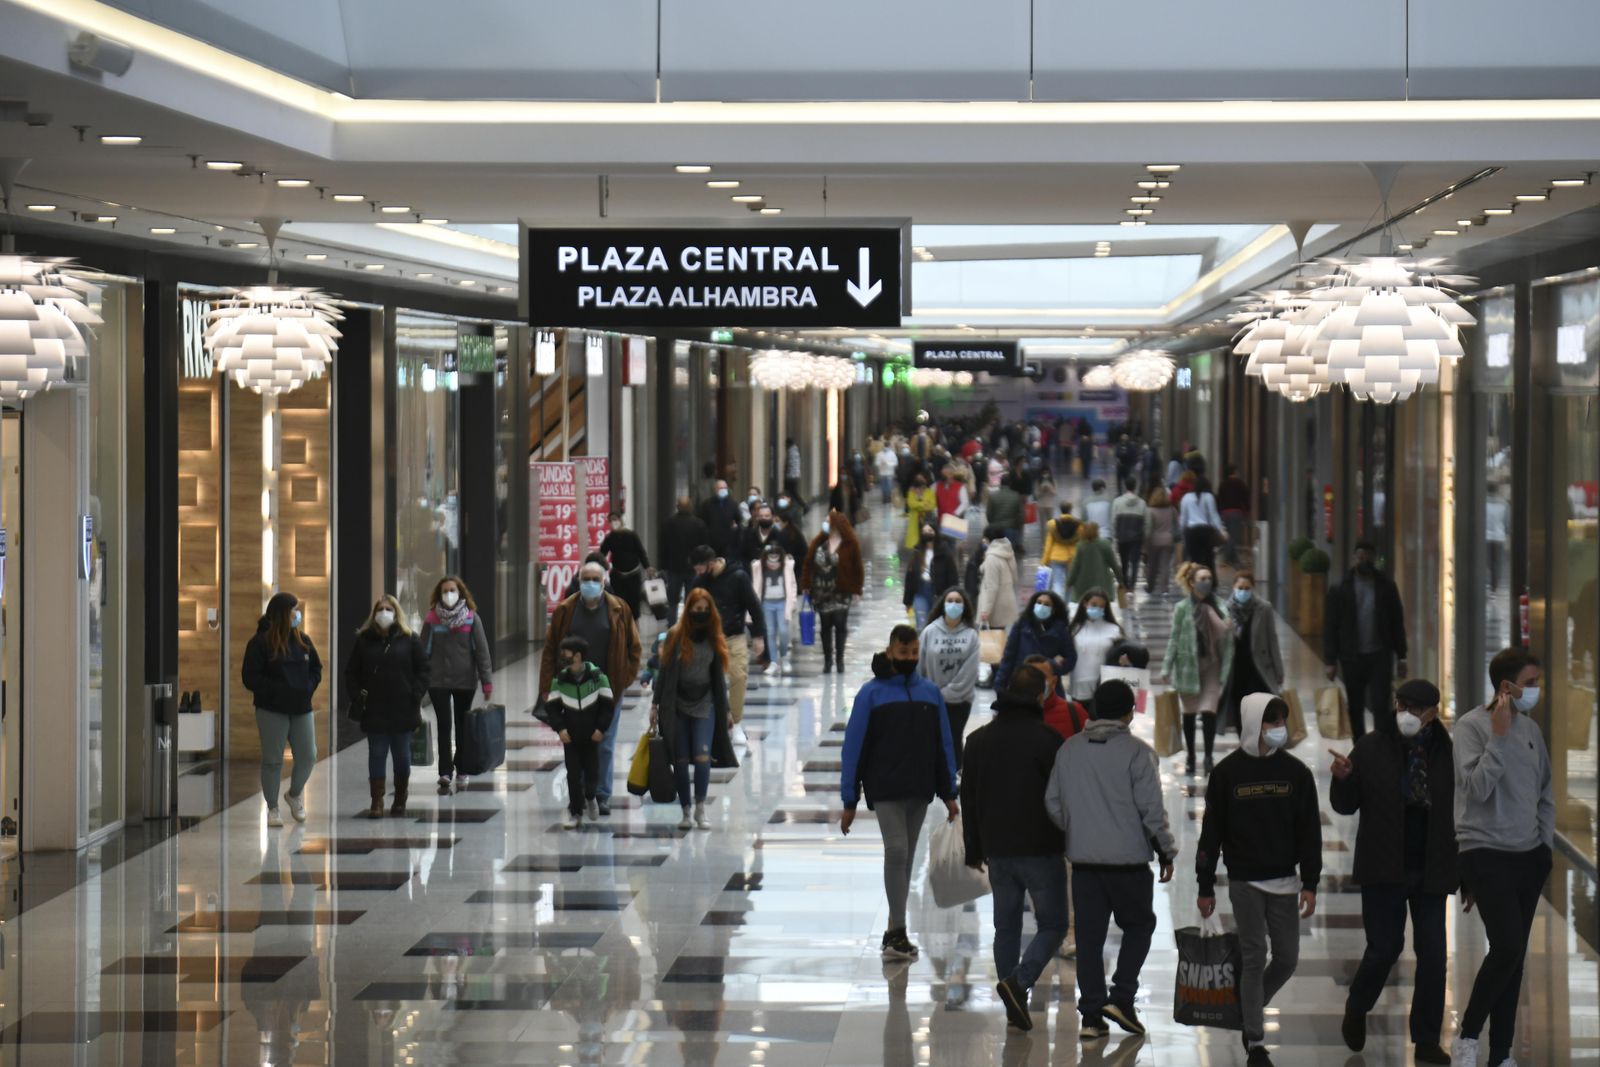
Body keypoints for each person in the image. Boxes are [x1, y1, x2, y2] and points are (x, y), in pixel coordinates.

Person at [1330, 679, 1456, 1065]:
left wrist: (1464, 873)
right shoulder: (1371, 746)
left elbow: (1459, 812)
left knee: (1433, 955)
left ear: (1433, 713)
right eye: (1402, 705)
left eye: (1415, 709)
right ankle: (1357, 1005)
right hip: (1384, 865)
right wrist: (1344, 778)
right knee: (1384, 949)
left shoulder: (1447, 751)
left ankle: (1426, 1039)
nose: (1406, 714)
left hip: (1431, 866)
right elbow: (1345, 806)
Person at [1196, 693, 1322, 1067]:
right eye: (1271, 722)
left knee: (1286, 958)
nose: (1278, 729)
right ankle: (1254, 1039)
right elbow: (1211, 833)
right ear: (1253, 725)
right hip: (1245, 882)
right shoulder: (1227, 774)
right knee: (1254, 958)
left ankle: (1246, 1006)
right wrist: (1205, 885)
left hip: (1285, 881)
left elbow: (1309, 831)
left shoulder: (1296, 774)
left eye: (1282, 721)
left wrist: (1311, 882)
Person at [1046, 679, 1175, 1040]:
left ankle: (1090, 1017)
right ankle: (1121, 996)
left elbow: (1053, 803)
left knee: (1088, 939)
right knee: (1139, 926)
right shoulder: (1138, 753)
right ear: (1129, 712)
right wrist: (1166, 850)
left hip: (1084, 864)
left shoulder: (1069, 750)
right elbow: (1152, 811)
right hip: (1129, 863)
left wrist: (1079, 830)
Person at [1450, 648, 1554, 1067]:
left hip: (1528, 856)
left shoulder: (1532, 731)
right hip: (1484, 852)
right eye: (1530, 683)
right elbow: (1475, 789)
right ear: (1506, 686)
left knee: (1514, 956)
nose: (1536, 690)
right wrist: (1498, 734)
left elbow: (1545, 791)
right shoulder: (1472, 727)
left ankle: (1501, 1053)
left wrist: (1544, 846)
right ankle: (1468, 1037)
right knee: (1507, 946)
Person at [840, 626, 959, 962]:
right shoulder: (871, 694)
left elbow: (943, 744)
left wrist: (949, 791)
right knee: (896, 850)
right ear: (890, 651)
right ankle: (898, 932)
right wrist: (849, 799)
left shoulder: (929, 693)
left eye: (912, 653)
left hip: (919, 788)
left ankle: (895, 923)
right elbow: (854, 747)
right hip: (886, 786)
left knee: (906, 856)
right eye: (902, 652)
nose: (908, 658)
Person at [961, 665, 1067, 1033]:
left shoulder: (977, 742)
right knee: (1053, 924)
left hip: (998, 850)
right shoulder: (1049, 740)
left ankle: (1013, 1002)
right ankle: (1018, 983)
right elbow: (1061, 799)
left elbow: (969, 800)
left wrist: (973, 848)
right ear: (1040, 697)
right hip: (1041, 848)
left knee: (1005, 928)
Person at [539, 560, 643, 814]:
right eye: (585, 579)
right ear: (578, 581)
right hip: (572, 688)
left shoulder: (619, 609)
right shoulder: (566, 610)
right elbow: (551, 648)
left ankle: (601, 793)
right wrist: (547, 685)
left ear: (604, 581)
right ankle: (584, 792)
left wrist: (623, 678)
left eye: (595, 579)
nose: (590, 584)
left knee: (604, 742)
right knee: (578, 741)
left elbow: (634, 647)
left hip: (607, 687)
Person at [650, 588, 739, 830]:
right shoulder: (675, 636)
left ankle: (701, 807)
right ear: (688, 609)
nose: (699, 613)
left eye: (704, 610)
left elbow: (719, 679)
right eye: (695, 609)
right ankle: (686, 810)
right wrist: (655, 704)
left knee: (702, 756)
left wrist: (727, 710)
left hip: (706, 702)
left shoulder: (715, 637)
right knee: (680, 760)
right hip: (677, 703)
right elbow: (665, 672)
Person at [242, 591, 324, 827]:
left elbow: (316, 669)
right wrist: (277, 689)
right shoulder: (259, 643)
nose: (297, 614)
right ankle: (273, 807)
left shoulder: (303, 640)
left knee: (308, 756)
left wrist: (307, 687)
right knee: (272, 760)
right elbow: (250, 677)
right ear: (282, 614)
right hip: (271, 709)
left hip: (301, 708)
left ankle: (294, 794)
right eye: (293, 610)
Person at [345, 594, 429, 819]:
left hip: (403, 707)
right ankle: (377, 801)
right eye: (380, 609)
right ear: (374, 614)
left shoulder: (409, 639)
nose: (384, 613)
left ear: (396, 612)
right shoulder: (364, 640)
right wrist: (356, 696)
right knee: (377, 753)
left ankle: (400, 797)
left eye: (388, 609)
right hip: (375, 708)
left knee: (402, 755)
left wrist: (416, 693)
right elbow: (351, 672)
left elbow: (423, 669)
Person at [1324, 541, 1409, 738]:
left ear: (1374, 559)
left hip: (1380, 655)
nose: (1364, 561)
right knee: (1355, 706)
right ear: (1355, 558)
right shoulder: (1340, 588)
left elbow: (1397, 622)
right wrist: (1330, 660)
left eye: (1368, 558)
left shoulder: (1386, 587)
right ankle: (1360, 746)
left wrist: (1402, 655)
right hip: (1351, 656)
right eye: (1360, 557)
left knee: (1382, 704)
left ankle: (1381, 744)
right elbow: (1330, 625)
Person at [422, 576, 494, 790]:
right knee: (443, 726)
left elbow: (482, 652)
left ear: (460, 592)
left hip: (465, 681)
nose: (449, 594)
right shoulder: (432, 619)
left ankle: (462, 767)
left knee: (463, 725)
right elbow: (422, 651)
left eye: (452, 590)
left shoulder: (472, 618)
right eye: (445, 591)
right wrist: (418, 680)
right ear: (439, 594)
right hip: (438, 681)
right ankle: (445, 770)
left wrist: (486, 682)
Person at [690, 546, 766, 743]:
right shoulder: (699, 582)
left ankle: (736, 722)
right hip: (708, 639)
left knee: (739, 676)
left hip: (735, 637)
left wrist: (758, 636)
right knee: (706, 681)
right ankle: (712, 722)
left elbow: (754, 607)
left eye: (700, 569)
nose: (697, 574)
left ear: (711, 563)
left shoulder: (738, 577)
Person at [1163, 563, 1233, 775]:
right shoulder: (1182, 608)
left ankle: (1209, 756)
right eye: (1202, 579)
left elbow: (1228, 637)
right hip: (1188, 668)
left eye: (1209, 578)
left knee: (1209, 711)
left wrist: (1227, 668)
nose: (1207, 582)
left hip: (1212, 665)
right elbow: (1174, 638)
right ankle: (1191, 757)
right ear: (1192, 582)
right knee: (1190, 713)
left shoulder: (1219, 606)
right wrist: (1167, 667)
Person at [544, 636, 616, 830]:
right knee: (573, 774)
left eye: (566, 654)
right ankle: (576, 812)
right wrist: (560, 729)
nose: (563, 658)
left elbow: (608, 707)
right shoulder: (559, 681)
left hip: (592, 736)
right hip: (571, 737)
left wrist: (601, 728)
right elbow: (551, 708)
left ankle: (591, 797)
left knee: (592, 772)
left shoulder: (598, 678)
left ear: (578, 656)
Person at [918, 588, 981, 770]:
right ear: (943, 604)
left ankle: (954, 777)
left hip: (960, 700)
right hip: (931, 698)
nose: (953, 604)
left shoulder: (971, 636)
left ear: (964, 606)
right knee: (932, 737)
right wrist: (927, 692)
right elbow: (920, 666)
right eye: (950, 600)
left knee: (953, 736)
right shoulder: (929, 632)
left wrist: (945, 693)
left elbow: (970, 672)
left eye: (958, 601)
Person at [799, 511, 864, 675]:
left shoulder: (850, 544)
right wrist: (806, 584)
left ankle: (840, 660)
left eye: (828, 521)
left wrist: (857, 589)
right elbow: (808, 563)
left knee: (841, 624)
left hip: (842, 591)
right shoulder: (818, 542)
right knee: (826, 625)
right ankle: (828, 660)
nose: (825, 524)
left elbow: (858, 567)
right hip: (822, 591)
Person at [1222, 572, 1284, 736]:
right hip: (1235, 670)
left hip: (1258, 668)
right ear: (1234, 588)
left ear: (1253, 589)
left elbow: (1272, 640)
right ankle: (1243, 742)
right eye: (1240, 588)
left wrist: (1279, 670)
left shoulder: (1264, 608)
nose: (1243, 591)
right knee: (1238, 707)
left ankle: (1257, 741)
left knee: (1259, 708)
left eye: (1247, 588)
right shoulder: (1225, 609)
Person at [996, 589, 1075, 697]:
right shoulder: (1021, 625)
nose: (1041, 606)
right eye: (1039, 602)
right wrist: (1000, 685)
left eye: (1047, 604)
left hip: (1049, 687)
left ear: (1054, 610)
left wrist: (1052, 665)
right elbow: (1008, 657)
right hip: (1021, 683)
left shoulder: (1061, 630)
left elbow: (1071, 658)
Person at [1067, 589, 1125, 706]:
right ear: (1085, 604)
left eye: (1101, 606)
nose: (1097, 609)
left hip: (1105, 685)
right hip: (1078, 687)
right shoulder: (1073, 629)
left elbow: (1122, 653)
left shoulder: (1114, 629)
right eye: (1094, 604)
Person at [660, 496, 710, 624]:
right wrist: (703, 565)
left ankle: (671, 626)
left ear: (677, 507)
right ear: (690, 507)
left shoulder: (668, 523)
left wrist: (663, 566)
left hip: (674, 567)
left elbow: (663, 546)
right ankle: (691, 624)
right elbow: (704, 547)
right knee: (692, 598)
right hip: (693, 568)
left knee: (672, 601)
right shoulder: (699, 524)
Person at [902, 523, 960, 631]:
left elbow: (953, 577)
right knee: (921, 625)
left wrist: (954, 597)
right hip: (920, 592)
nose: (927, 534)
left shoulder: (945, 553)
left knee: (937, 625)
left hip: (939, 594)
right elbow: (909, 577)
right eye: (924, 531)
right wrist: (907, 601)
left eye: (930, 531)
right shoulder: (917, 552)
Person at [752, 542, 798, 676]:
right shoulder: (759, 567)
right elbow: (756, 585)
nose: (773, 563)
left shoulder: (787, 566)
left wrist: (793, 601)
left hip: (782, 603)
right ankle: (773, 661)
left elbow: (793, 584)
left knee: (784, 631)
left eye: (776, 558)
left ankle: (784, 658)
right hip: (766, 603)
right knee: (770, 633)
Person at [599, 512, 651, 620]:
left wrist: (647, 567)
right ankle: (621, 625)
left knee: (634, 602)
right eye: (610, 520)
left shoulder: (631, 535)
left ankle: (634, 625)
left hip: (633, 574)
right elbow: (601, 554)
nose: (613, 522)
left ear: (621, 520)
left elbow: (641, 552)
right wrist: (601, 568)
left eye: (615, 519)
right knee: (618, 602)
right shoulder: (610, 538)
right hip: (618, 574)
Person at [975, 524, 1020, 634]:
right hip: (1004, 603)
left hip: (995, 608)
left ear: (988, 539)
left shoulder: (992, 558)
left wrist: (985, 610)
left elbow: (991, 587)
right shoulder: (1007, 551)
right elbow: (1015, 577)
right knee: (1000, 637)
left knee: (992, 642)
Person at [1032, 655, 1089, 741]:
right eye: (1031, 677)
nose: (1035, 682)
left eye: (1041, 677)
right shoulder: (1011, 715)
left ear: (1054, 681)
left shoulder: (1074, 712)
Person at [1066, 521, 1120, 608]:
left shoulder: (1080, 546)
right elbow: (1114, 564)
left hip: (1083, 587)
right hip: (1103, 586)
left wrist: (1069, 583)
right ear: (1097, 531)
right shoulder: (1105, 544)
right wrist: (1120, 580)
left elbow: (1075, 567)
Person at [1178, 474, 1225, 572]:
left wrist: (1182, 533)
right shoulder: (1209, 496)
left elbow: (1183, 518)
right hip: (1206, 530)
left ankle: (1195, 580)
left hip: (1191, 531)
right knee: (1208, 558)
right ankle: (1211, 581)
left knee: (1194, 559)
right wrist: (1221, 530)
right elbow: (1214, 516)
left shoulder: (1186, 497)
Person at [1110, 479, 1149, 592]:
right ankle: (1132, 584)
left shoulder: (1117, 502)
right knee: (1135, 561)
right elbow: (1147, 522)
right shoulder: (1142, 503)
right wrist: (1145, 535)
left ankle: (1125, 582)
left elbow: (1113, 520)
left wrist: (1115, 535)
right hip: (1137, 536)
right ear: (1135, 486)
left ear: (1125, 485)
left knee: (1124, 560)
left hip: (1122, 536)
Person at [1041, 504, 1079, 602]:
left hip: (1056, 557)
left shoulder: (1053, 525)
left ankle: (1057, 604)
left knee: (1057, 583)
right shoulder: (1078, 525)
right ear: (1070, 510)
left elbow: (1048, 544)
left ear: (1060, 510)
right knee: (1070, 583)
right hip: (1072, 557)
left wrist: (1044, 561)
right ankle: (1067, 605)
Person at [1144, 486, 1178, 597]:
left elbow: (1148, 528)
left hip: (1153, 541)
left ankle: (1150, 586)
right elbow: (1177, 524)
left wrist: (1145, 542)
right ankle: (1165, 589)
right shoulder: (1172, 509)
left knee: (1152, 565)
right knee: (1165, 566)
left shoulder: (1150, 510)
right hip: (1168, 540)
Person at [1216, 463, 1252, 567]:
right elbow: (1245, 498)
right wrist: (1247, 511)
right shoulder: (1240, 483)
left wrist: (1220, 512)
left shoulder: (1223, 484)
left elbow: (1219, 499)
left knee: (1228, 535)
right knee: (1233, 537)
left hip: (1225, 513)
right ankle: (1226, 558)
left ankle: (1233, 558)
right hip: (1236, 512)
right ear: (1234, 472)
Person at [697, 478, 742, 558]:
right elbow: (702, 522)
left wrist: (735, 527)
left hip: (728, 542)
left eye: (725, 488)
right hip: (712, 542)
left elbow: (738, 520)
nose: (723, 490)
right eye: (721, 488)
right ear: (715, 489)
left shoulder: (733, 504)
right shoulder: (707, 504)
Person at [985, 475, 1026, 556]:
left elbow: (988, 514)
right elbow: (1021, 515)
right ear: (1010, 484)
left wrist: (993, 523)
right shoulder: (1016, 496)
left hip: (994, 529)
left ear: (1000, 483)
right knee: (1009, 554)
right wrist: (1018, 528)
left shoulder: (993, 496)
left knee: (994, 553)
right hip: (1011, 528)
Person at [904, 474, 938, 551]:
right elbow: (911, 504)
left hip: (927, 518)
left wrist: (919, 505)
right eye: (917, 488)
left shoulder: (930, 492)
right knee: (915, 541)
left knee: (926, 537)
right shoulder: (911, 492)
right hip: (915, 519)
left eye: (922, 488)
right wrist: (923, 504)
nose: (919, 490)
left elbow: (932, 505)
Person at [875, 441, 899, 505]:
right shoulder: (879, 454)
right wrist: (881, 463)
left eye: (887, 446)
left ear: (889, 446)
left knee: (889, 486)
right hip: (882, 473)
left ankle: (888, 498)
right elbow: (876, 463)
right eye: (885, 446)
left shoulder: (892, 454)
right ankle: (884, 498)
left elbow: (895, 463)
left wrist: (888, 464)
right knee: (883, 486)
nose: (886, 447)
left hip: (889, 472)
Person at [784, 437, 804, 507]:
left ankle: (803, 506)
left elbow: (789, 464)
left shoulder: (791, 451)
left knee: (792, 493)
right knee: (792, 493)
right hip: (795, 475)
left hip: (791, 476)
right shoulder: (795, 451)